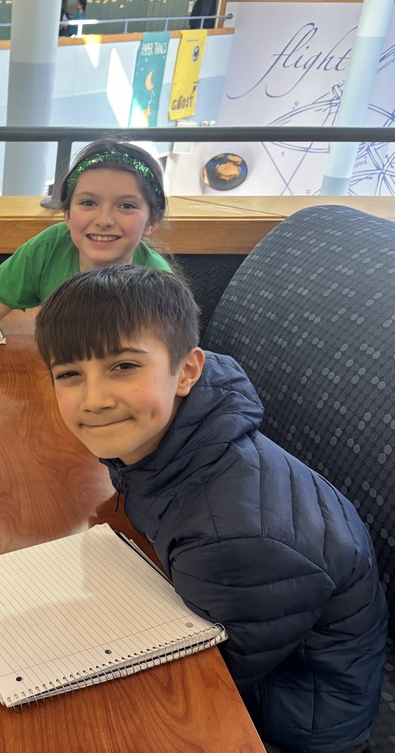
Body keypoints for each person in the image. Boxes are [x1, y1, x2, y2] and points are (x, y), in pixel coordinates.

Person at [35, 265, 387, 753]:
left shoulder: (236, 540)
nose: (94, 399)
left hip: (293, 720)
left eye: (124, 366)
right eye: (70, 374)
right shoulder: (174, 432)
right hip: (236, 621)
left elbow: (206, 681)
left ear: (187, 370)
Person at [0, 138, 171, 372]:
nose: (104, 220)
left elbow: (160, 367)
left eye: (126, 206)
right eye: (88, 202)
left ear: (152, 221)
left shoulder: (160, 285)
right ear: (67, 214)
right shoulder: (49, 248)